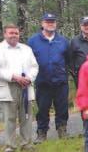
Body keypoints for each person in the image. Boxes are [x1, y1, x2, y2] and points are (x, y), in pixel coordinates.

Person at [0, 24, 39, 152]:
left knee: (26, 117)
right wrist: (14, 77)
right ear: (5, 34)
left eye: (16, 33)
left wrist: (29, 78)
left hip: (25, 86)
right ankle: (10, 146)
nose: (14, 35)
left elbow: (34, 66)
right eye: (11, 33)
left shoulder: (26, 49)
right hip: (8, 85)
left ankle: (26, 143)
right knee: (9, 117)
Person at [28, 12, 70, 143]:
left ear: (56, 24)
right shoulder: (33, 41)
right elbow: (28, 61)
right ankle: (42, 133)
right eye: (47, 22)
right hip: (42, 82)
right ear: (42, 24)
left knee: (62, 108)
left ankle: (62, 130)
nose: (50, 24)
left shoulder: (63, 41)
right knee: (42, 109)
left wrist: (64, 72)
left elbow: (68, 59)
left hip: (60, 82)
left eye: (52, 22)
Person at [69, 16, 88, 87]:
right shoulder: (74, 41)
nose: (87, 27)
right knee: (83, 97)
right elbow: (70, 59)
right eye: (85, 25)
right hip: (81, 77)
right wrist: (75, 74)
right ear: (81, 26)